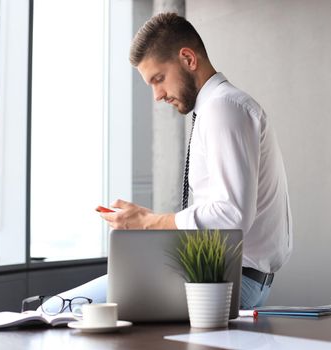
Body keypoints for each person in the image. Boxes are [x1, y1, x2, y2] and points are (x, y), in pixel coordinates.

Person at [43, 12, 292, 312]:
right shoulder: (216, 108)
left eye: (159, 79)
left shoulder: (223, 108)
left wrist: (150, 223)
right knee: (70, 310)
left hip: (226, 281)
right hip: (224, 277)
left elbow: (231, 216)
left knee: (57, 309)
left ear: (188, 58)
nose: (158, 95)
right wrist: (152, 220)